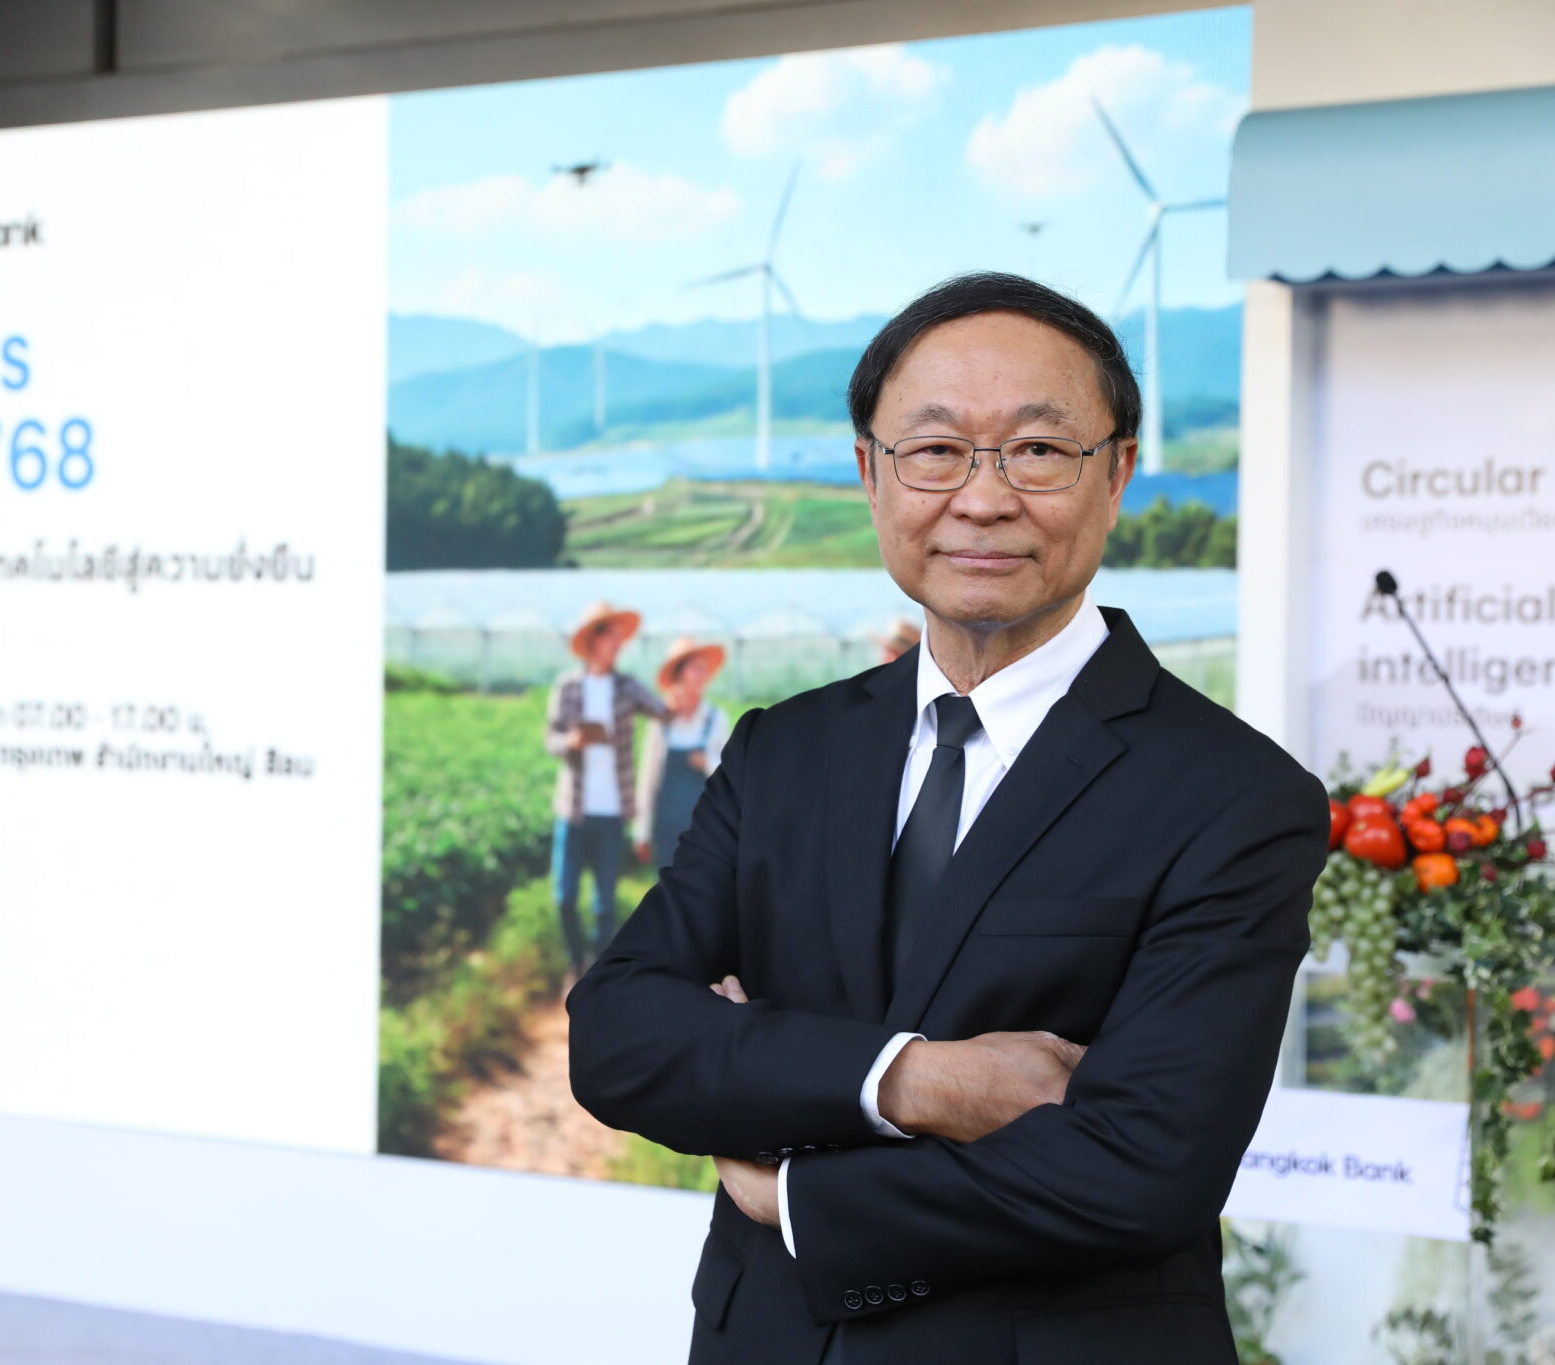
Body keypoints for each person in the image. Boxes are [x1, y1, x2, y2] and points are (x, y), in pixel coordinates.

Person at [567, 272, 1327, 1364]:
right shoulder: (784, 749)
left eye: (1037, 450)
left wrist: (792, 1189)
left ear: (1116, 472)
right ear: (870, 473)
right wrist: (918, 1080)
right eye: (935, 451)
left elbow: (1140, 1169)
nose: (982, 498)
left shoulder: (1234, 796)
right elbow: (619, 1034)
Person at [544, 601, 668, 979]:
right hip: (573, 809)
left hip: (612, 811)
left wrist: (677, 696)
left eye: (619, 637)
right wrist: (570, 741)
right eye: (610, 636)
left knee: (603, 904)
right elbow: (551, 738)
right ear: (592, 642)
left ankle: (597, 972)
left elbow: (660, 711)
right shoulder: (568, 686)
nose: (617, 643)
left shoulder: (627, 687)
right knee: (564, 897)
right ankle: (575, 961)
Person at [634, 638, 731, 871]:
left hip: (706, 831)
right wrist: (641, 831)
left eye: (704, 669)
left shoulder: (716, 719)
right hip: (667, 829)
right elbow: (648, 780)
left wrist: (707, 762)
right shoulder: (661, 723)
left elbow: (730, 777)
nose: (702, 675)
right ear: (679, 674)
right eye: (695, 668)